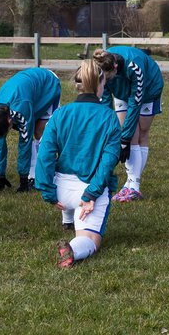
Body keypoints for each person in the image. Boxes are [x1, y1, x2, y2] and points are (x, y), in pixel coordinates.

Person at [34, 58, 122, 268]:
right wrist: (92, 194)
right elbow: (108, 161)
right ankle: (72, 250)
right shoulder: (109, 117)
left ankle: (68, 219)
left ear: (77, 84)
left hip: (61, 190)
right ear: (100, 85)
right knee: (90, 241)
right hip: (88, 195)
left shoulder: (60, 114)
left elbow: (45, 154)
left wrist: (48, 191)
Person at [92, 46, 163, 202]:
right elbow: (104, 102)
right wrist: (108, 132)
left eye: (109, 78)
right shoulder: (102, 68)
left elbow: (134, 103)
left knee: (140, 132)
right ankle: (130, 185)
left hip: (148, 89)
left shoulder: (134, 66)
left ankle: (133, 185)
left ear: (115, 67)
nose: (107, 81)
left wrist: (124, 139)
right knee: (128, 135)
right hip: (122, 91)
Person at [0, 67, 62, 195]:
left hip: (47, 84)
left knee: (40, 133)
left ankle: (38, 175)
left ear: (10, 122)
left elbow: (25, 143)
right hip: (27, 90)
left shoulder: (21, 110)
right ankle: (31, 174)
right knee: (29, 133)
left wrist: (23, 180)